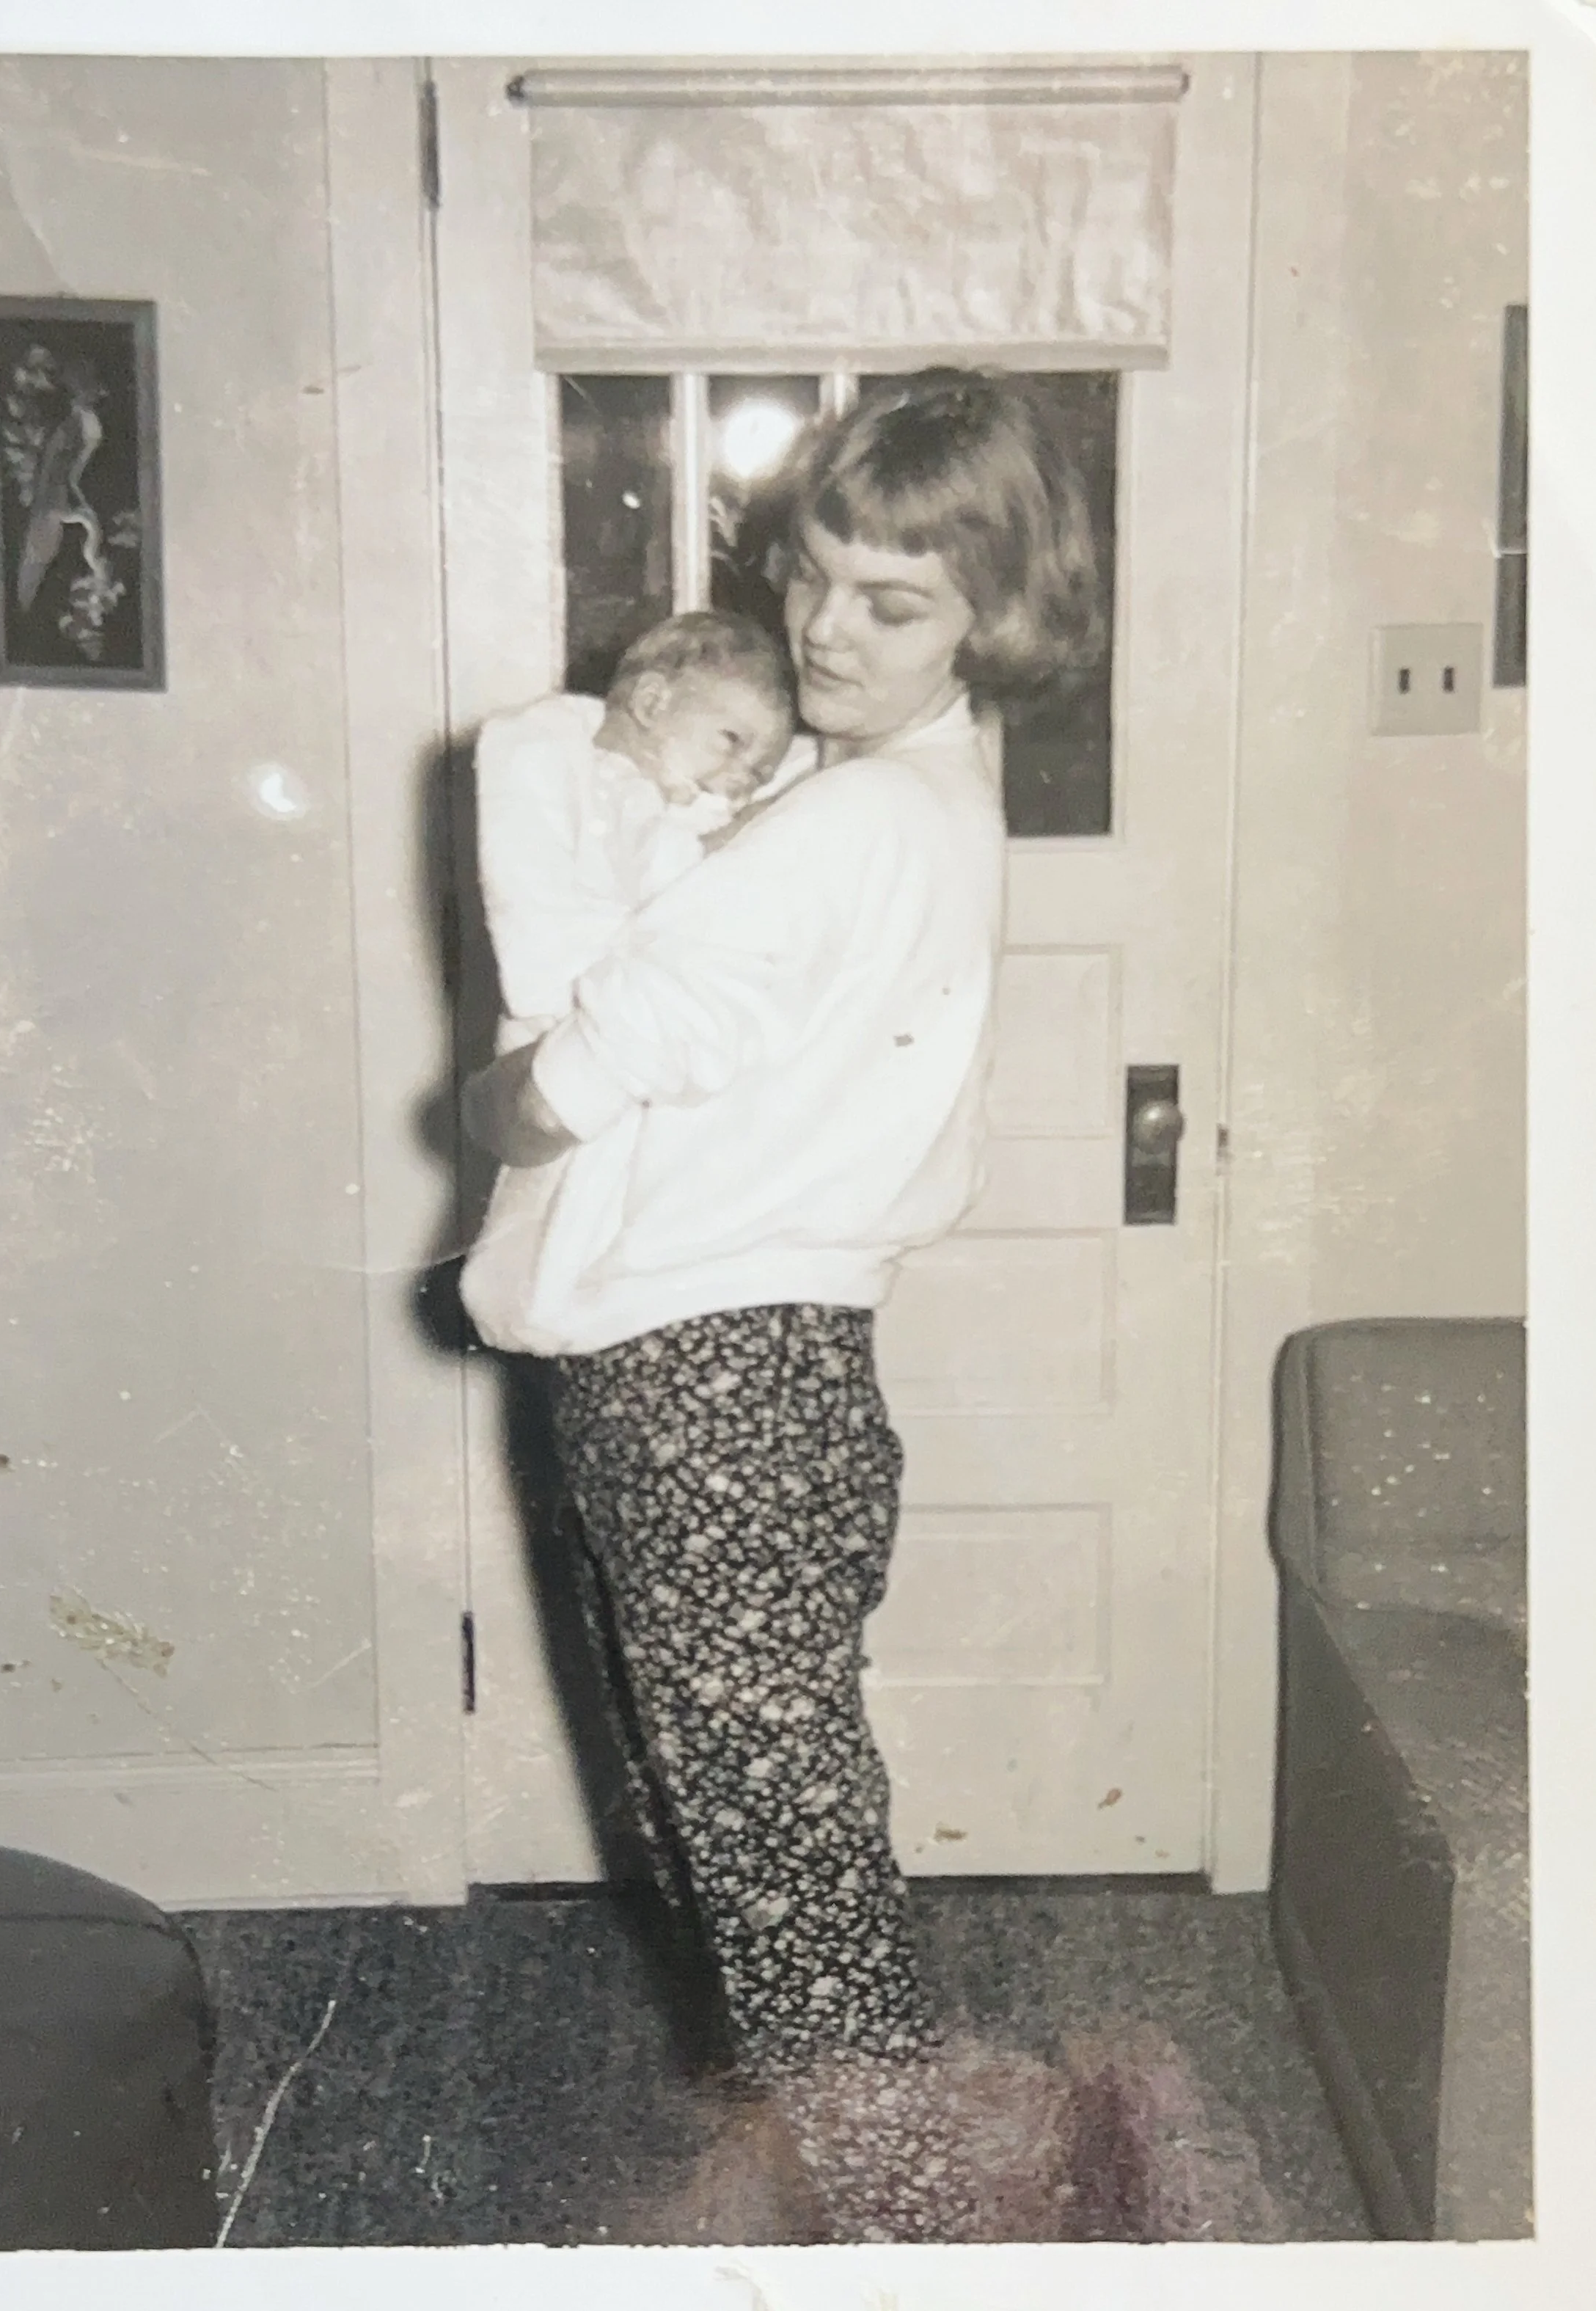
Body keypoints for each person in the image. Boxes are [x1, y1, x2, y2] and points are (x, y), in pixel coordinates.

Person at [460, 370, 1102, 2243]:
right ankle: (882, 2220)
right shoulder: (905, 786)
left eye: (891, 602)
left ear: (997, 615)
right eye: (813, 574)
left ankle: (916, 2242)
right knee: (755, 1839)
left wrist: (486, 1099)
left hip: (712, 1374)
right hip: (770, 1370)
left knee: (776, 1864)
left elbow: (567, 1078)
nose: (822, 627)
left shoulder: (846, 826)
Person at [475, 610, 797, 1059]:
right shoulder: (619, 784)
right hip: (561, 1031)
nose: (739, 780)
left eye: (758, 776)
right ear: (651, 704)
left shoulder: (672, 792)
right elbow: (667, 870)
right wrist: (756, 825)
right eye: (732, 741)